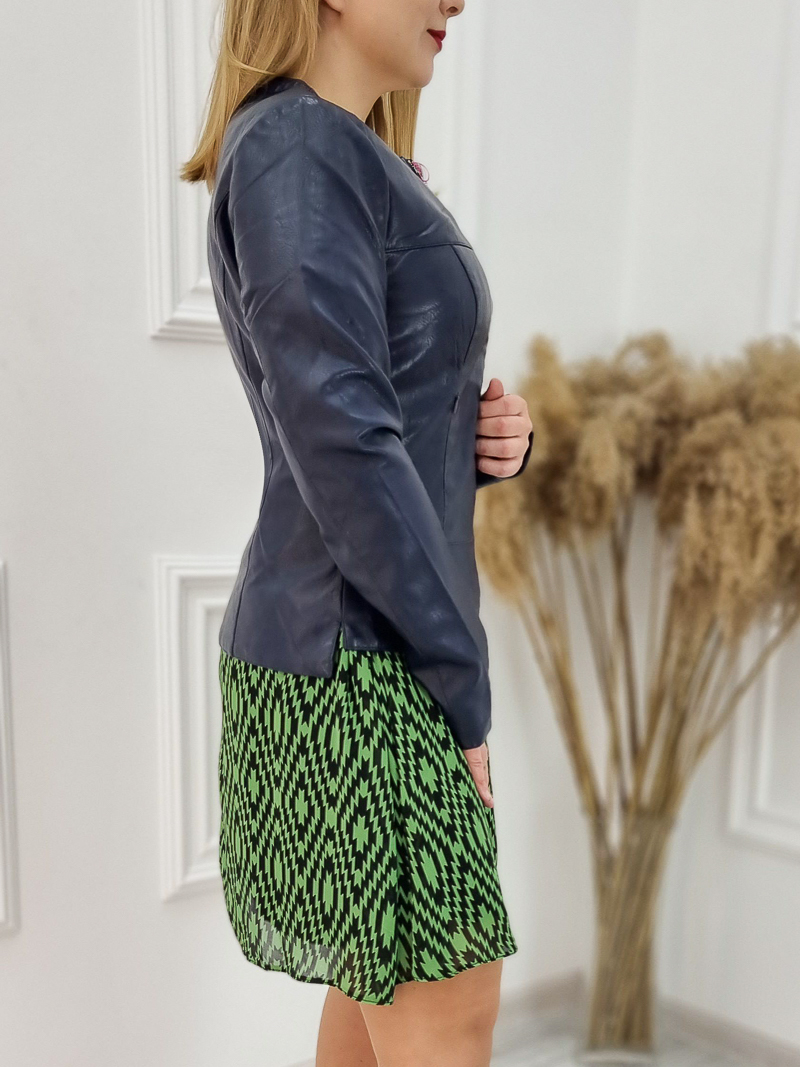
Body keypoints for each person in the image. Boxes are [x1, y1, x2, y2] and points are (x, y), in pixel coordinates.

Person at [181, 0, 533, 1063]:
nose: (456, 1)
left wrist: (492, 436)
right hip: (363, 668)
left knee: (379, 1005)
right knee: (445, 1010)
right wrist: (461, 684)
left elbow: (371, 414)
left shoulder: (334, 152)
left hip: (360, 646)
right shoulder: (296, 146)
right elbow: (341, 443)